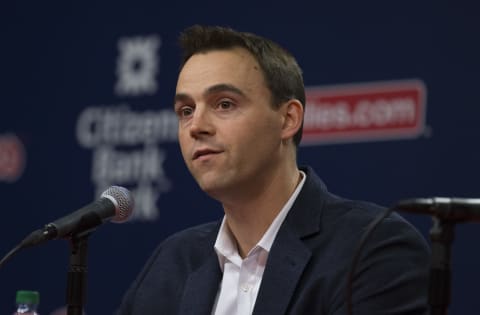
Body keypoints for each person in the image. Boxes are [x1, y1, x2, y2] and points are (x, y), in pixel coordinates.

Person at [116, 25, 430, 315]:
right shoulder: (170, 264)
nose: (196, 126)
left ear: (288, 119)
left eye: (224, 104)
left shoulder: (372, 249)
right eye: (186, 110)